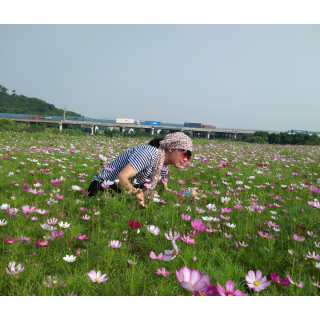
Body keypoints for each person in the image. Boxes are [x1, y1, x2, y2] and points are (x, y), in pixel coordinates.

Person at [88, 132, 200, 208]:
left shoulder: (163, 165)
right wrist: (135, 194)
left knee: (159, 187)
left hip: (123, 190)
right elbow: (121, 178)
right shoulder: (149, 153)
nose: (186, 159)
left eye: (189, 156)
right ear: (170, 147)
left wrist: (187, 193)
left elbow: (163, 193)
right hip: (104, 188)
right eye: (185, 153)